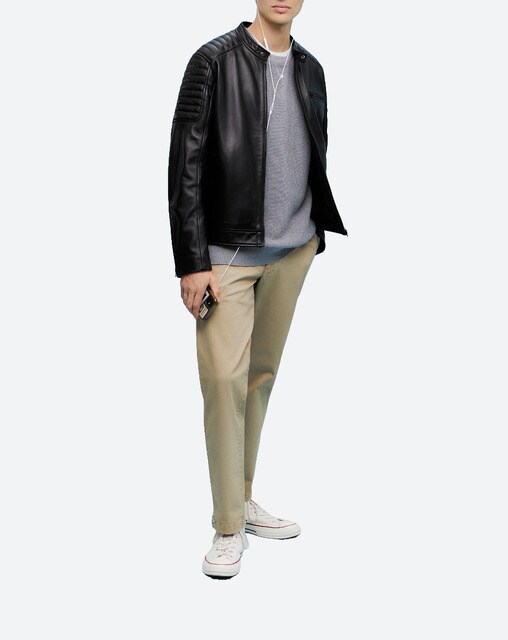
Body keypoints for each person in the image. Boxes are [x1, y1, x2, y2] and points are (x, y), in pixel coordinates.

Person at [167, 0, 347, 579]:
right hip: (227, 256)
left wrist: (312, 235)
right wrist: (192, 261)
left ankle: (242, 500)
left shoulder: (312, 68)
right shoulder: (213, 60)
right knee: (224, 382)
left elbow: (315, 150)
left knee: (259, 377)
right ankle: (227, 527)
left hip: (293, 251)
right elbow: (185, 163)